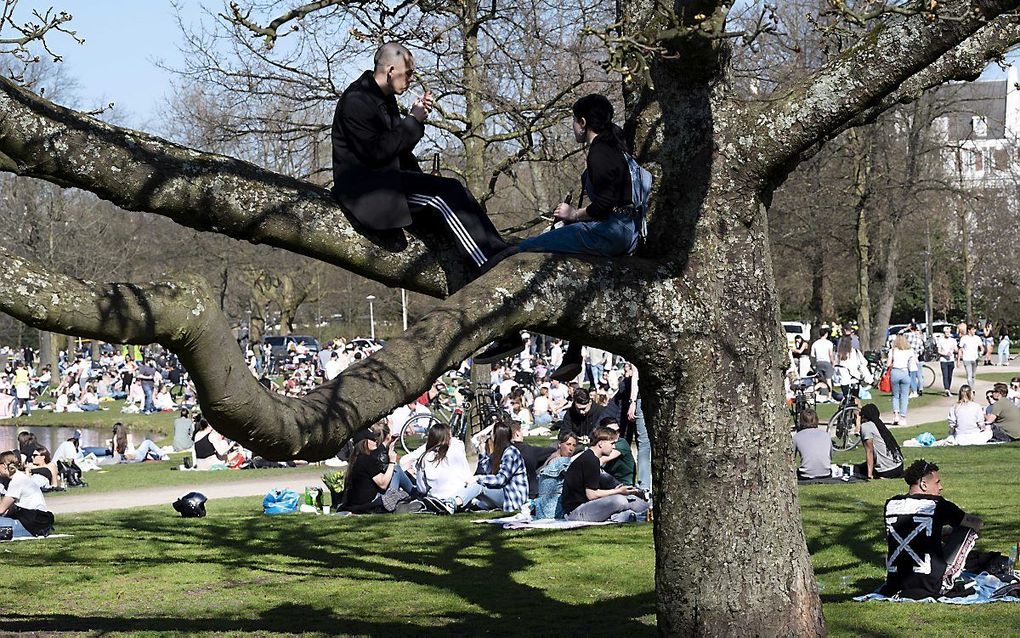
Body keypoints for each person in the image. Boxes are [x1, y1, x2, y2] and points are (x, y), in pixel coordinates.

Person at [479, 94, 643, 373]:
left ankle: (508, 336)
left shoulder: (600, 152)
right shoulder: (616, 148)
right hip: (627, 232)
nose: (573, 128)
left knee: (520, 250)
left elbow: (604, 205)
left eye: (573, 122)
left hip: (612, 231)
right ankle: (573, 355)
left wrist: (573, 215)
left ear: (582, 123)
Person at [331, 42, 511, 279]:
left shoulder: (383, 98)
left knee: (452, 188)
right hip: (368, 191)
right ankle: (487, 262)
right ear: (390, 71)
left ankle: (497, 248)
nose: (411, 80)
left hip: (386, 180)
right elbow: (377, 153)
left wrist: (414, 125)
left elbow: (397, 147)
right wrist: (413, 121)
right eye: (408, 73)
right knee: (445, 194)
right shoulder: (357, 101)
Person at [879, 460, 982, 599]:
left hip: (895, 584)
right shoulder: (938, 504)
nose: (941, 487)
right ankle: (948, 580)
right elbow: (976, 524)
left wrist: (940, 532)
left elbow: (913, 530)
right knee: (967, 530)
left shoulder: (891, 503)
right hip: (932, 584)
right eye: (937, 482)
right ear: (923, 484)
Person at [561, 426, 648, 522]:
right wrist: (618, 491)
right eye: (612, 443)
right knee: (620, 500)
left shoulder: (592, 458)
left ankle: (651, 512)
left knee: (630, 498)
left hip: (588, 506)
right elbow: (591, 495)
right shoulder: (590, 460)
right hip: (576, 512)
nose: (614, 447)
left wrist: (618, 491)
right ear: (601, 443)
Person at [449, 421, 528, 512]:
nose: (489, 436)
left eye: (491, 434)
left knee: (479, 486)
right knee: (474, 486)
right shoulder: (499, 452)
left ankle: (452, 504)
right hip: (504, 494)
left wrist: (477, 478)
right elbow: (487, 470)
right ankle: (450, 501)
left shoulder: (511, 453)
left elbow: (501, 479)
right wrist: (482, 452)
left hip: (513, 498)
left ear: (497, 436)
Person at [341, 427, 418, 513]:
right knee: (396, 470)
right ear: (363, 442)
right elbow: (383, 484)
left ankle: (416, 493)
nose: (376, 441)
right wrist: (392, 461)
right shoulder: (366, 460)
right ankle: (417, 494)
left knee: (396, 470)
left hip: (359, 504)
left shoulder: (357, 459)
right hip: (370, 504)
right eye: (372, 440)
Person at [400, 422, 472, 502]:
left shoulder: (424, 457)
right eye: (450, 437)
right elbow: (467, 476)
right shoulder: (456, 451)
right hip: (458, 496)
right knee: (479, 488)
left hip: (434, 497)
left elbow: (422, 489)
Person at [0, 450, 54, 539]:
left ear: (4, 466)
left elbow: (1, 509)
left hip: (30, 524)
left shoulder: (16, 482)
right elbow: (12, 509)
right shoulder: (21, 478)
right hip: (36, 521)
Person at [528, 430, 578, 519]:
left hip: (541, 510)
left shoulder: (552, 457)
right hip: (554, 511)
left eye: (574, 445)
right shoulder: (561, 461)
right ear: (559, 444)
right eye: (568, 444)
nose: (571, 449)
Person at [854, 404, 904, 480]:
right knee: (863, 466)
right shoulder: (879, 425)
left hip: (888, 470)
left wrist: (869, 475)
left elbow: (869, 452)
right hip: (899, 466)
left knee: (857, 469)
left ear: (863, 416)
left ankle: (880, 476)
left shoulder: (866, 426)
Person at [793, 409, 832, 480]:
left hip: (806, 474)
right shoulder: (826, 435)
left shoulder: (797, 436)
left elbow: (792, 459)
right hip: (826, 472)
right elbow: (830, 456)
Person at [886, 334, 916, 426]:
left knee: (895, 396)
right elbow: (913, 363)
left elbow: (888, 364)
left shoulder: (893, 351)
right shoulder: (910, 351)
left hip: (895, 372)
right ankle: (903, 417)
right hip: (905, 372)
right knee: (904, 396)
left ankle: (896, 415)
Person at [599, 417, 637, 485]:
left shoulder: (622, 443)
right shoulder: (601, 444)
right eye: (612, 431)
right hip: (608, 484)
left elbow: (601, 460)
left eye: (618, 431)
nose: (616, 434)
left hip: (624, 486)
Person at [958, 324, 983, 389]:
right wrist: (958, 360)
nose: (974, 331)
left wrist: (981, 352)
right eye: (973, 329)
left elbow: (981, 347)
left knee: (973, 375)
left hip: (975, 358)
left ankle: (972, 387)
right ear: (969, 330)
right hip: (967, 358)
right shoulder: (964, 338)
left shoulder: (977, 338)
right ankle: (971, 389)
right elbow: (960, 349)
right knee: (969, 375)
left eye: (975, 329)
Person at [936, 324, 958, 397]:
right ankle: (946, 389)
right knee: (945, 375)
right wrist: (945, 354)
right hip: (943, 360)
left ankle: (948, 387)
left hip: (951, 360)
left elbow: (956, 349)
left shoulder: (953, 340)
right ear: (944, 332)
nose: (948, 333)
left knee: (950, 375)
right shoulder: (940, 340)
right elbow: (939, 351)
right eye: (946, 332)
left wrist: (957, 350)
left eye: (949, 332)